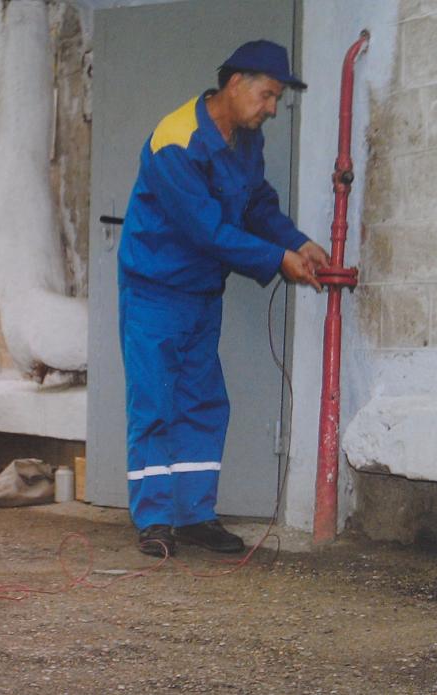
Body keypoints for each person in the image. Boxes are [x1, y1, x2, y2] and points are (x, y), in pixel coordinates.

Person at [117, 40, 328, 557]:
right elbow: (207, 230)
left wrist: (296, 241)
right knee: (155, 402)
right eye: (267, 95)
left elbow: (257, 204)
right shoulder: (175, 140)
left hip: (201, 292)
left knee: (202, 402)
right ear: (235, 83)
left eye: (277, 98)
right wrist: (278, 259)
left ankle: (194, 516)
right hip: (155, 290)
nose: (272, 108)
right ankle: (155, 520)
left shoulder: (245, 138)